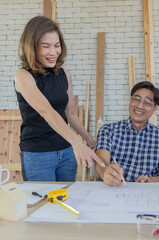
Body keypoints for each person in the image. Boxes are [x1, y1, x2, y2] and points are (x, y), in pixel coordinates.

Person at [14, 16, 105, 181]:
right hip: (38, 154)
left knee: (67, 200)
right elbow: (46, 111)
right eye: (46, 46)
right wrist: (77, 143)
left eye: (57, 46)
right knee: (43, 204)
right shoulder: (23, 76)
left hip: (66, 151)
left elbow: (71, 114)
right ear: (32, 47)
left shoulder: (65, 75)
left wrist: (91, 142)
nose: (53, 52)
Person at [95, 81, 159, 185]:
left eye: (147, 103)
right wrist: (105, 172)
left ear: (155, 108)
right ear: (130, 100)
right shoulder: (108, 130)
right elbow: (101, 161)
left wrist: (150, 180)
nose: (140, 106)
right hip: (112, 189)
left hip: (145, 193)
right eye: (136, 99)